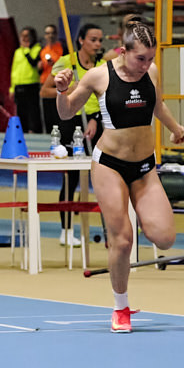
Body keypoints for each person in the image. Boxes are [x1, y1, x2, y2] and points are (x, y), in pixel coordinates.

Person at [50, 21, 184, 333]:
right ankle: (120, 308)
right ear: (123, 51)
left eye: (150, 59)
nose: (146, 65)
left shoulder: (151, 72)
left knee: (165, 238)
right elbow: (66, 112)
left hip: (144, 166)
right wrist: (61, 90)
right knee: (123, 240)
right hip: (109, 165)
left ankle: (133, 230)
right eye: (140, 59)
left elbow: (157, 105)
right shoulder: (99, 76)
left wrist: (175, 128)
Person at [51, 23, 105, 246]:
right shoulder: (66, 62)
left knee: (103, 177)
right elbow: (44, 90)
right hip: (70, 121)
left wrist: (95, 119)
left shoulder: (102, 66)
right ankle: (66, 230)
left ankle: (110, 229)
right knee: (71, 177)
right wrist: (66, 89)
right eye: (93, 39)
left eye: (100, 40)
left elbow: (105, 97)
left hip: (95, 122)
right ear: (81, 40)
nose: (98, 44)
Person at [11, 26, 42, 135]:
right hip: (19, 85)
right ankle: (22, 131)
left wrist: (27, 50)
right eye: (22, 36)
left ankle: (34, 130)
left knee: (33, 110)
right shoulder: (18, 51)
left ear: (32, 37)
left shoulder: (37, 49)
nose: (24, 38)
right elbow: (14, 70)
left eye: (27, 36)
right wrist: (12, 88)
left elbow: (33, 63)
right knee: (21, 110)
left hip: (31, 84)